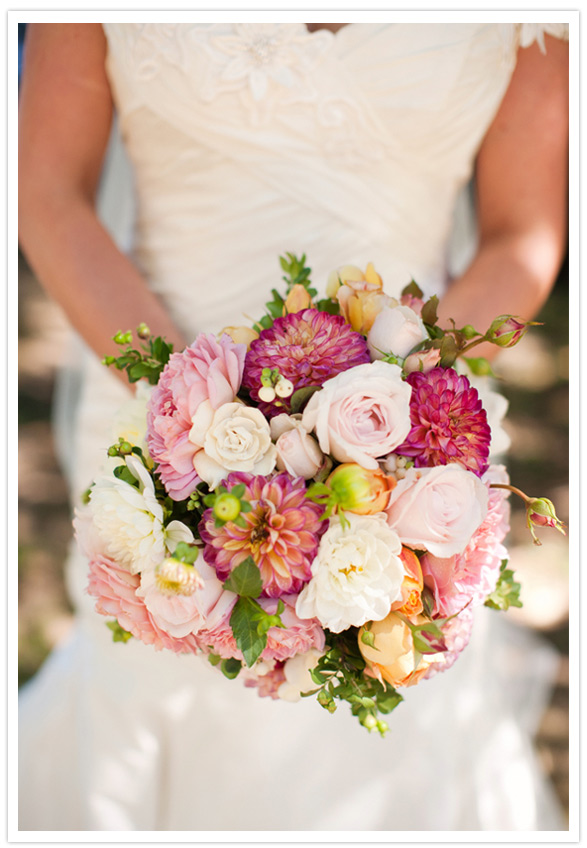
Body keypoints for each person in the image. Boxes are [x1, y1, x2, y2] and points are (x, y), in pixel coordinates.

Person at [18, 21, 569, 831]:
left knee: (389, 715)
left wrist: (405, 411)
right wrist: (187, 411)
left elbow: (520, 234)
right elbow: (48, 193)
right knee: (155, 685)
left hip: (409, 434)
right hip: (150, 399)